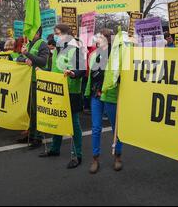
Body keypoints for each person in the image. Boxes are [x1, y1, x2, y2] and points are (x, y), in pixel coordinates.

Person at [39, 24, 86, 169]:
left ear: (66, 34)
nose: (55, 37)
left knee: (74, 123)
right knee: (57, 118)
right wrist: (42, 70)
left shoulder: (75, 49)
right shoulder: (57, 50)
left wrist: (73, 74)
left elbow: (82, 70)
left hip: (72, 92)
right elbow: (55, 69)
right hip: (57, 90)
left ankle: (78, 155)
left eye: (57, 34)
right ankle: (55, 149)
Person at [85, 29, 123, 174]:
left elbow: (122, 75)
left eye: (100, 37)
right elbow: (91, 75)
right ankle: (95, 158)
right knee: (95, 128)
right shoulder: (94, 54)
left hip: (111, 95)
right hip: (96, 94)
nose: (97, 39)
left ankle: (118, 156)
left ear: (107, 39)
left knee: (116, 127)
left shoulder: (117, 54)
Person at [16, 28, 49, 148]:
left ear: (37, 33)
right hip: (27, 81)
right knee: (29, 109)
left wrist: (28, 55)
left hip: (37, 81)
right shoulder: (28, 44)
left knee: (36, 110)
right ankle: (31, 133)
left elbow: (43, 62)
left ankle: (38, 137)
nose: (28, 34)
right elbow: (18, 58)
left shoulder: (43, 44)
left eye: (31, 31)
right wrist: (25, 58)